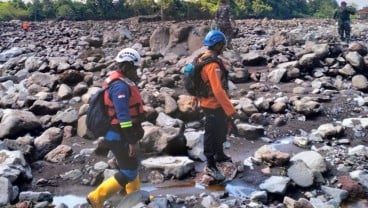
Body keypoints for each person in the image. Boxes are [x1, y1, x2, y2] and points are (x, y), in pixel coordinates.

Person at [87, 48, 145, 208]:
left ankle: (134, 199)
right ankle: (96, 198)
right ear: (126, 67)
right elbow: (123, 117)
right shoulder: (119, 87)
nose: (136, 72)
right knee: (129, 171)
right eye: (134, 68)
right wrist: (132, 140)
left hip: (119, 133)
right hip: (118, 134)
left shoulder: (121, 81)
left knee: (132, 165)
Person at [197, 30, 237, 181]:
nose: (224, 47)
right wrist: (231, 110)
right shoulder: (213, 65)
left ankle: (219, 154)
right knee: (211, 133)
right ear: (218, 44)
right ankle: (210, 165)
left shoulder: (202, 58)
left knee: (221, 129)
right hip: (213, 104)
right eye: (222, 45)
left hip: (210, 102)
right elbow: (218, 90)